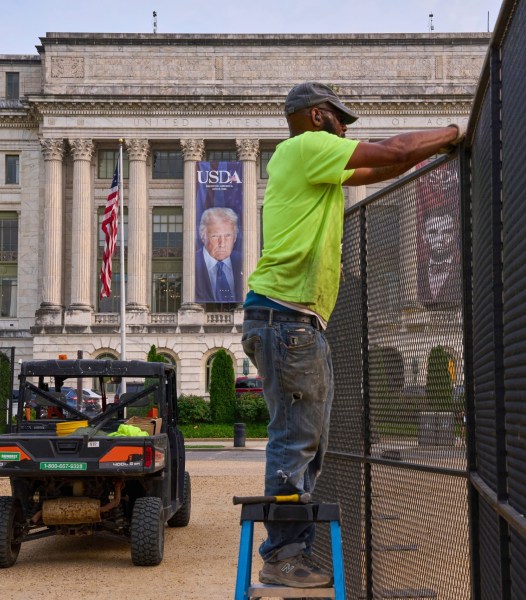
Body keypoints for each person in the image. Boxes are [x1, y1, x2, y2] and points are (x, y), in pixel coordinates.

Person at [241, 81, 464, 589]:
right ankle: (282, 555)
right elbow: (392, 151)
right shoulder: (308, 147)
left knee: (308, 439)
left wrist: (430, 154)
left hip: (290, 320)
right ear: (318, 116)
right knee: (296, 437)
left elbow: (386, 167)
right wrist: (455, 132)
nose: (345, 129)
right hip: (285, 318)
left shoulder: (308, 161)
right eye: (340, 119)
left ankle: (290, 549)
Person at [195, 206, 243, 302]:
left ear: (235, 237)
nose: (222, 243)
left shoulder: (244, 261)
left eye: (228, 236)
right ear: (203, 236)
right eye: (215, 236)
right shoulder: (192, 262)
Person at [418, 206, 460, 306]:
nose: (440, 239)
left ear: (454, 234)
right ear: (424, 236)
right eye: (433, 232)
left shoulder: (462, 269)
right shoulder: (417, 271)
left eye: (446, 232)